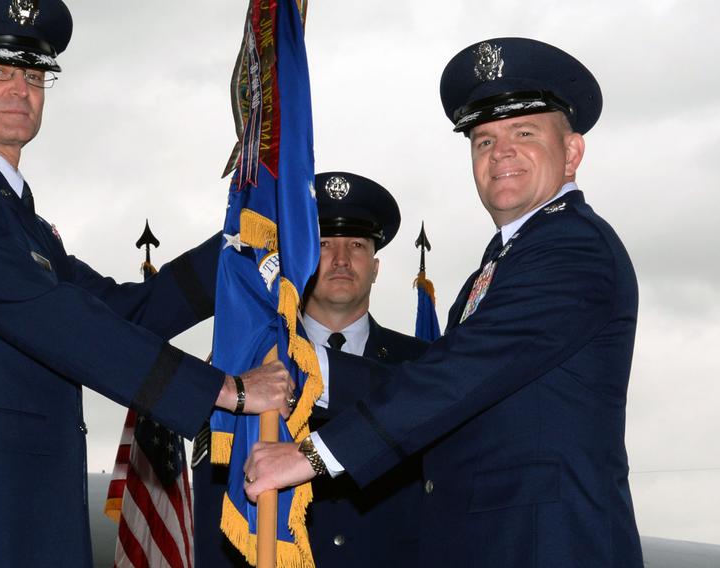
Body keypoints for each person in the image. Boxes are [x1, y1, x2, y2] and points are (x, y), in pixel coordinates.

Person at [0, 1, 292, 566]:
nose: (19, 89)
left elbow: (127, 312)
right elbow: (54, 320)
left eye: (33, 74)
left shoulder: (19, 219)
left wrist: (240, 244)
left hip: (43, 508)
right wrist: (225, 391)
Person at [244, 37, 644, 567]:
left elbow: (459, 375)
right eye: (483, 140)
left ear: (572, 152)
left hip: (547, 546)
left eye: (524, 133)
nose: (500, 152)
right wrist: (309, 365)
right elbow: (454, 379)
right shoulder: (505, 261)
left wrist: (311, 454)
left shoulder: (572, 247)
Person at [193, 172, 429, 566]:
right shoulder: (249, 370)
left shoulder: (422, 366)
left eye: (356, 244)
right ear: (299, 261)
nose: (340, 259)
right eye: (322, 244)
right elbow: (215, 504)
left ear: (375, 267)